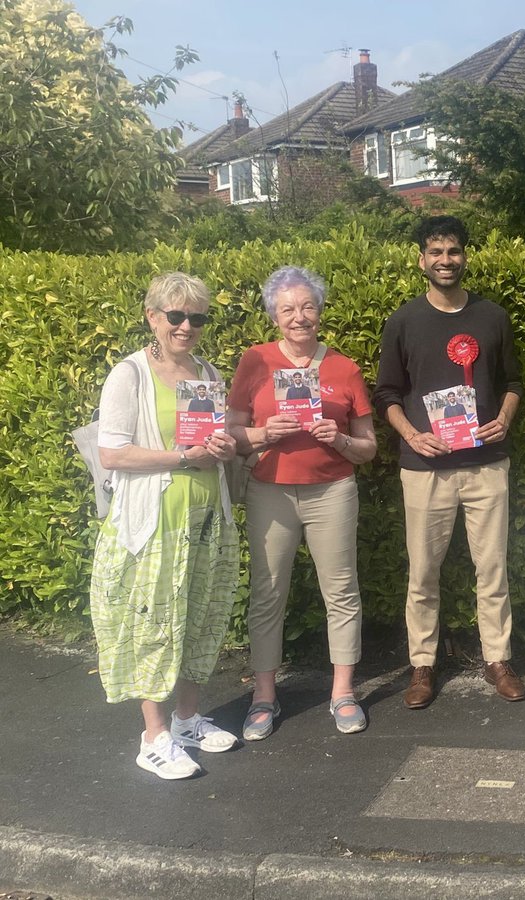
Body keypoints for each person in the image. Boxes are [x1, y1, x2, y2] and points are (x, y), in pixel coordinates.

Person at [89, 272, 239, 780]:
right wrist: (182, 456)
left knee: (199, 619)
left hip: (205, 518)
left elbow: (214, 441)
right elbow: (111, 452)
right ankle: (153, 738)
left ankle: (186, 719)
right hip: (154, 523)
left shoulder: (209, 373)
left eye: (196, 317)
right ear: (152, 317)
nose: (186, 326)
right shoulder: (129, 374)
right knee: (154, 624)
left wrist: (221, 448)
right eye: (175, 316)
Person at [374, 216, 525, 707]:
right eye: (436, 252)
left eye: (454, 251)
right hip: (425, 469)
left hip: (487, 461)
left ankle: (498, 660)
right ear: (422, 259)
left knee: (493, 568)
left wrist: (504, 417)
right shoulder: (402, 321)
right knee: (423, 573)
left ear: (465, 256)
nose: (445, 260)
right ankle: (422, 666)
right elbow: (387, 394)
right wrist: (413, 435)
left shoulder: (492, 317)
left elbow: (513, 383)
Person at [228, 266, 377, 739]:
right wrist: (261, 433)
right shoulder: (255, 361)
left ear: (320, 311)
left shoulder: (344, 368)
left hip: (332, 490)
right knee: (268, 594)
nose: (299, 317)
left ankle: (343, 693)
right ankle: (264, 696)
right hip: (270, 490)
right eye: (288, 309)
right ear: (274, 315)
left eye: (307, 307)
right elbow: (230, 434)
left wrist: (340, 440)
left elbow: (369, 446)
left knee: (342, 592)